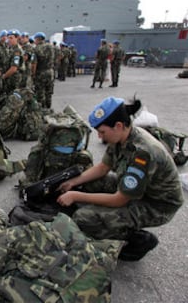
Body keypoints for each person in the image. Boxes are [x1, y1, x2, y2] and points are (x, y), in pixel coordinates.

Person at [57, 97, 184, 261]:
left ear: (118, 126)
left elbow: (119, 200)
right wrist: (72, 182)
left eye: (102, 132)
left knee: (83, 218)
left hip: (157, 205)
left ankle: (136, 240)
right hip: (141, 191)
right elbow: (103, 168)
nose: (100, 137)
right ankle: (108, 218)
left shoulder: (143, 153)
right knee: (88, 182)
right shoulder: (120, 137)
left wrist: (75, 195)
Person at [31, 32, 54, 109]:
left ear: (37, 39)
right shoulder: (50, 47)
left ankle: (42, 110)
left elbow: (34, 63)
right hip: (50, 72)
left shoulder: (36, 49)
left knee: (40, 92)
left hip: (40, 72)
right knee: (49, 92)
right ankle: (48, 108)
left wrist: (33, 74)